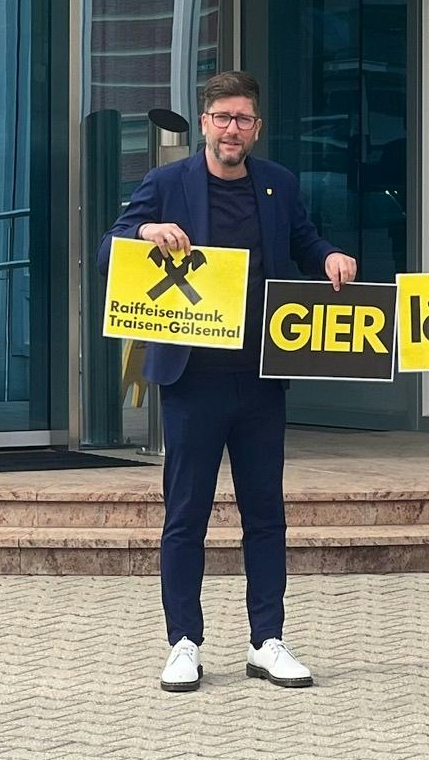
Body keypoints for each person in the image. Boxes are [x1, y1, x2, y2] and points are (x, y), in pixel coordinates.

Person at [101, 71, 358, 693]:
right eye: (222, 118)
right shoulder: (167, 183)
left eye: (243, 119)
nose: (232, 129)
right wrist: (145, 231)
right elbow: (111, 244)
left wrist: (329, 256)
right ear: (205, 123)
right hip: (191, 380)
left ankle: (267, 640)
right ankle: (183, 642)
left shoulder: (278, 184)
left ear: (257, 127)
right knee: (185, 516)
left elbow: (304, 240)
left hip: (261, 377)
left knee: (265, 515)